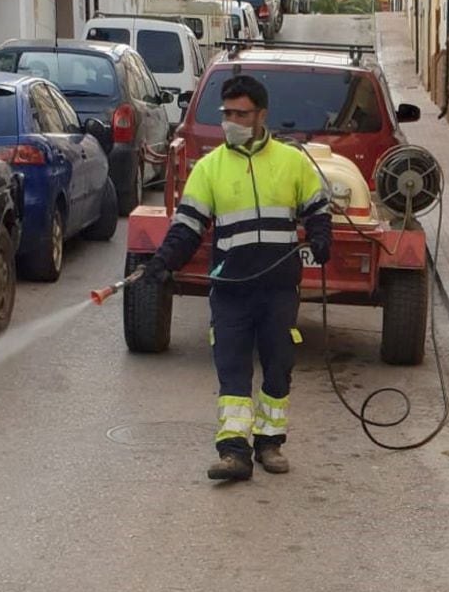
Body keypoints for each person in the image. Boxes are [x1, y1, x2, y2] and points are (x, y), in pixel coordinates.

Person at [142, 73, 332, 482]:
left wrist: (320, 233)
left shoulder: (292, 162)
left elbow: (317, 206)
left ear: (261, 115)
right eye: (226, 113)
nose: (231, 120)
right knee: (231, 369)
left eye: (240, 113)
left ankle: (270, 442)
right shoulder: (210, 167)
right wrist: (163, 263)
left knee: (279, 365)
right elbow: (188, 225)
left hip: (279, 286)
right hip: (231, 288)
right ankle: (234, 452)